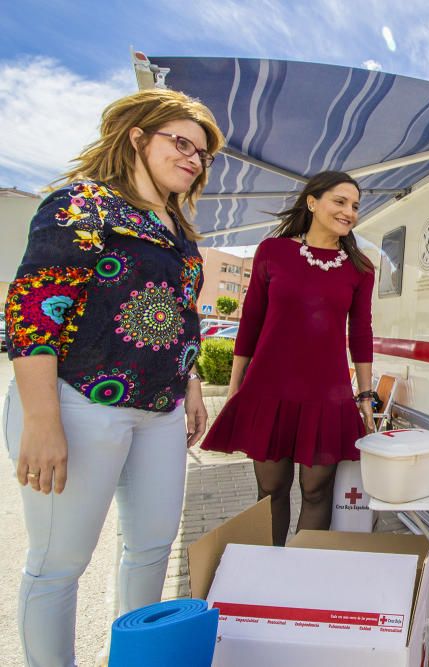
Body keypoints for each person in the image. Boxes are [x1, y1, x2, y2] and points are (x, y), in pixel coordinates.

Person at [3, 88, 224, 666]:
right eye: (181, 143)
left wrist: (193, 385)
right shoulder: (81, 205)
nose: (193, 159)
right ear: (136, 136)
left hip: (161, 412)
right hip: (77, 403)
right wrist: (42, 420)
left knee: (152, 548)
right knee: (58, 565)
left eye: (201, 153)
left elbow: (184, 317)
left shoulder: (180, 233)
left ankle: (139, 658)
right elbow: (32, 312)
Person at [200, 171, 376, 546]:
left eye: (355, 206)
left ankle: (300, 575)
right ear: (312, 202)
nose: (349, 212)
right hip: (268, 390)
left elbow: (360, 335)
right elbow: (250, 322)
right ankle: (270, 571)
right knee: (271, 491)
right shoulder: (272, 251)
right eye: (340, 201)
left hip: (327, 395)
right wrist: (235, 389)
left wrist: (364, 396)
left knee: (316, 491)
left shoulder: (359, 269)